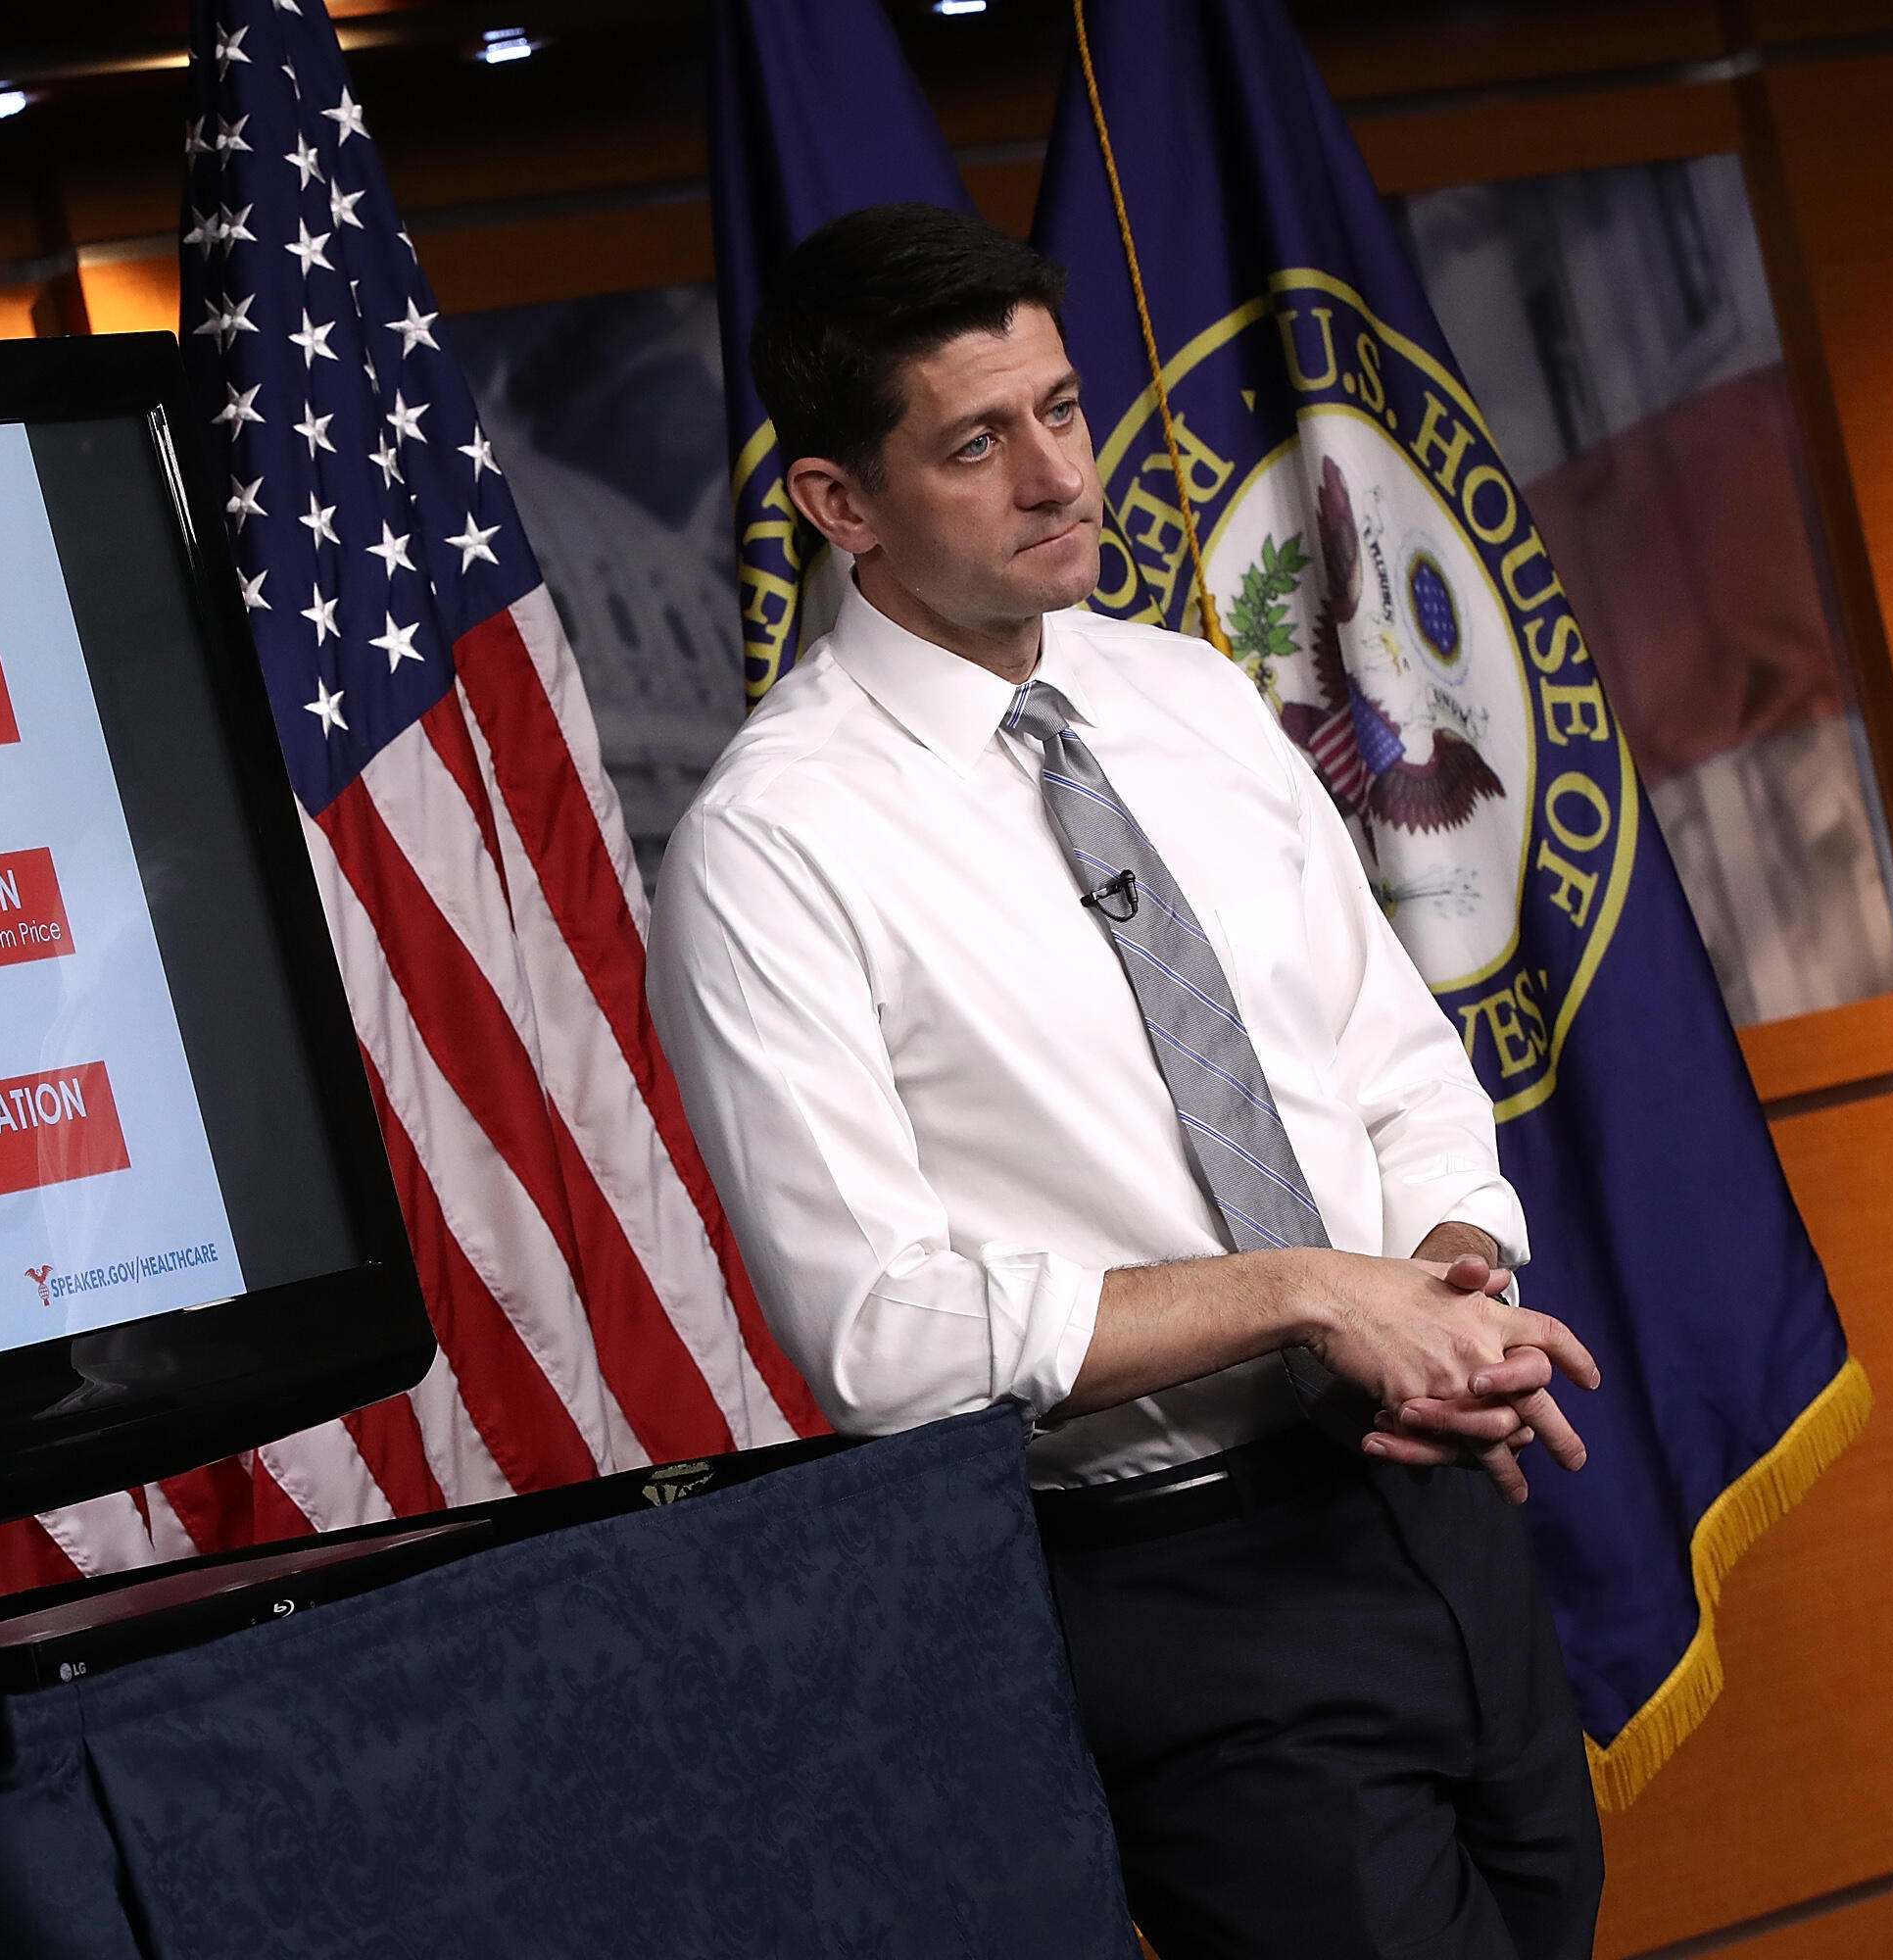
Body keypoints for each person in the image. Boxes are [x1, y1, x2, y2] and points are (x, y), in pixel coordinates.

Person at [647, 202, 1606, 1959]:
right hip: (1181, 1588)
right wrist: (1310, 1295)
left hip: (1439, 1508)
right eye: (977, 441)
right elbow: (884, 1342)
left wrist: (1447, 1282)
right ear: (839, 503)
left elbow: (1393, 1060)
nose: (1056, 474)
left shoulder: (1188, 695)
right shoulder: (768, 850)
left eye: (1066, 409)